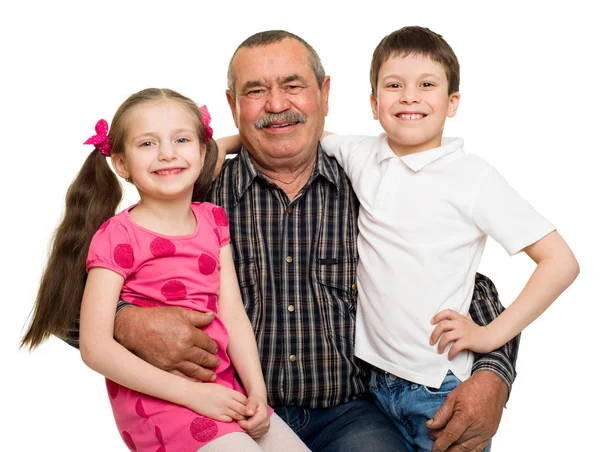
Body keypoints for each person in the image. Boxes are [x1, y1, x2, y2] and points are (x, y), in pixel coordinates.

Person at [62, 32, 519, 452]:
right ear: (232, 103)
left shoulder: (372, 183)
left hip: (353, 412)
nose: (276, 103)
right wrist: (128, 322)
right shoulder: (193, 194)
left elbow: (462, 282)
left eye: (293, 85)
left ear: (324, 94)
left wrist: (492, 372)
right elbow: (67, 301)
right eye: (255, 91)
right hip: (226, 409)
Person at [319, 26, 579, 451]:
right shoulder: (360, 153)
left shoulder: (472, 178)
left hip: (438, 388)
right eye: (393, 85)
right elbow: (302, 136)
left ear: (452, 102)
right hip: (368, 384)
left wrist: (491, 336)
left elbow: (560, 262)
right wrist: (217, 149)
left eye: (426, 85)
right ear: (373, 103)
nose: (409, 96)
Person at [20, 88, 309, 452]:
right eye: (147, 144)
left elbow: (233, 315)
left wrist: (256, 390)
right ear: (121, 164)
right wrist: (193, 395)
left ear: (203, 152)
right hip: (160, 399)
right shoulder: (117, 236)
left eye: (181, 139)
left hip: (222, 389)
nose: (167, 153)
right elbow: (94, 348)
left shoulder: (212, 220)